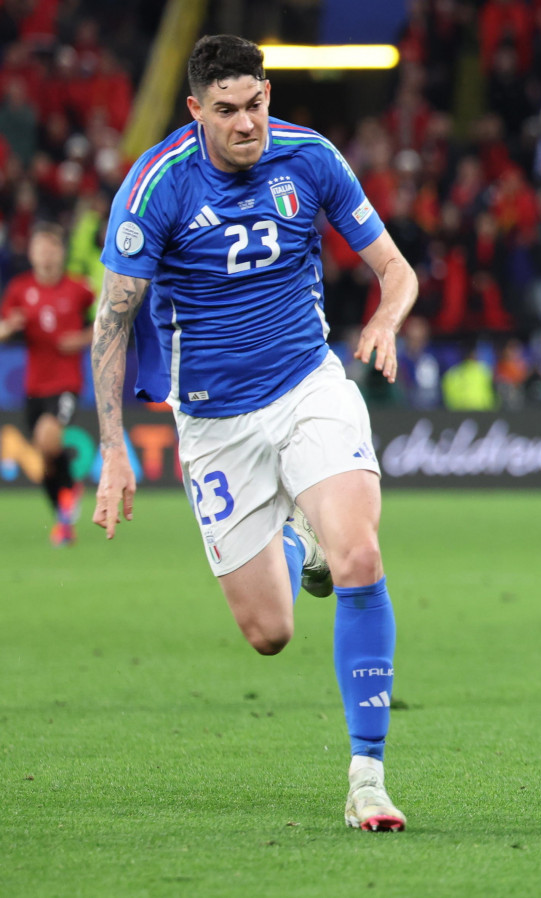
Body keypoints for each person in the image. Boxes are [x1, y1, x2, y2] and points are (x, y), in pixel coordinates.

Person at [91, 35, 419, 832]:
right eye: (229, 111)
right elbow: (113, 320)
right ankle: (296, 547)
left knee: (362, 555)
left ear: (269, 93)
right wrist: (112, 446)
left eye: (257, 104)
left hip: (309, 384)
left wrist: (385, 318)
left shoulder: (310, 159)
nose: (248, 125)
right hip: (211, 420)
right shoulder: (157, 186)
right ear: (196, 109)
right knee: (269, 633)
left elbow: (397, 270)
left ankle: (367, 778)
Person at [0, 221, 93, 545]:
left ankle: (65, 506)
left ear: (61, 252)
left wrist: (82, 337)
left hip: (66, 382)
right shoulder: (19, 288)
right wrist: (9, 327)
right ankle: (63, 515)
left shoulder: (79, 289)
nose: (45, 254)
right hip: (33, 386)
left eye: (51, 247)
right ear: (31, 253)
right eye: (40, 247)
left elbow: (109, 322)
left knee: (46, 435)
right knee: (45, 456)